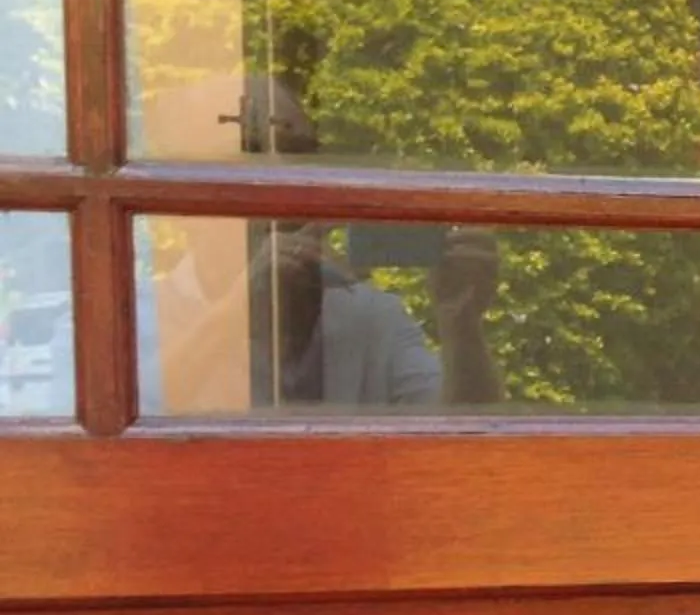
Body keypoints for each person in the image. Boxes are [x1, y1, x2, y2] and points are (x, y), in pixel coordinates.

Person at [143, 74, 505, 410]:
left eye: (299, 154)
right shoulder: (137, 317)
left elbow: (470, 445)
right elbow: (118, 429)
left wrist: (461, 325)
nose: (281, 178)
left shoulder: (371, 318)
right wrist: (235, 313)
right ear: (179, 195)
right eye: (249, 155)